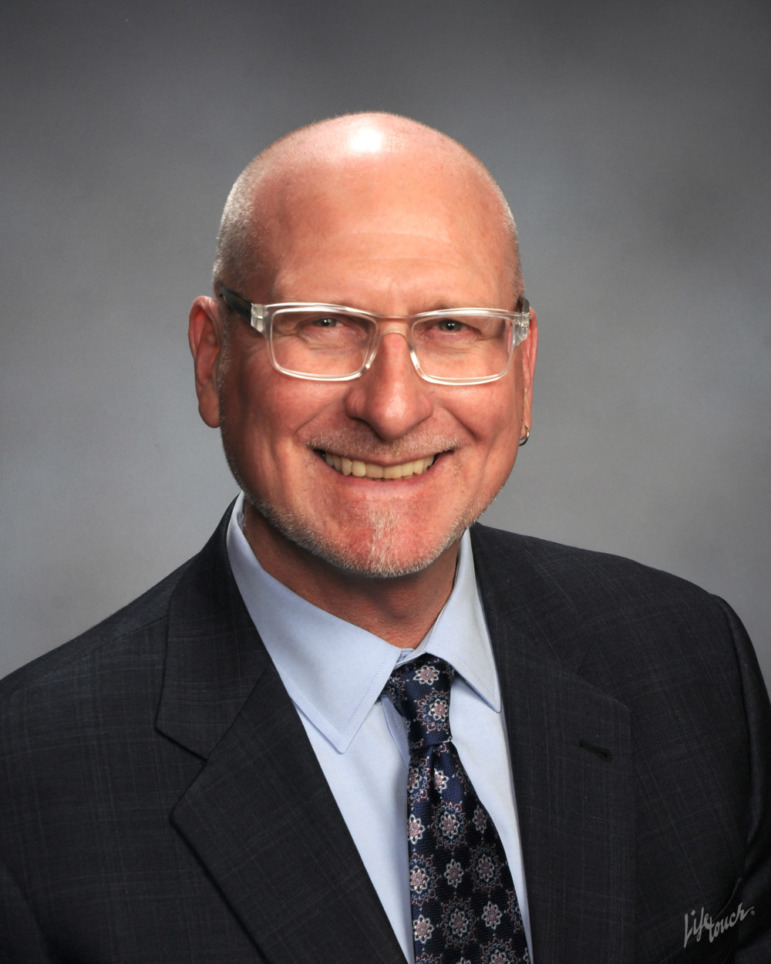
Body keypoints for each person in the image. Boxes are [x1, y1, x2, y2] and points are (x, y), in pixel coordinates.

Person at [1, 113, 768, 963]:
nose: (392, 407)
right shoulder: (28, 792)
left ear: (521, 368)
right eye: (324, 324)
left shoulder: (692, 664)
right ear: (212, 359)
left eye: (451, 327)